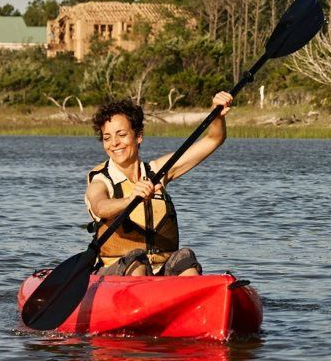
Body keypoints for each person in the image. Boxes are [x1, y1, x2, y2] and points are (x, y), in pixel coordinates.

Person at [85, 92, 233, 276]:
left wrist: (216, 115)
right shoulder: (100, 179)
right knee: (137, 261)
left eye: (121, 135)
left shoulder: (157, 172)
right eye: (107, 138)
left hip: (160, 273)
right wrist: (130, 199)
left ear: (138, 136)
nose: (114, 143)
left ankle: (193, 300)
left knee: (185, 259)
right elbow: (101, 207)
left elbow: (213, 139)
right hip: (118, 273)